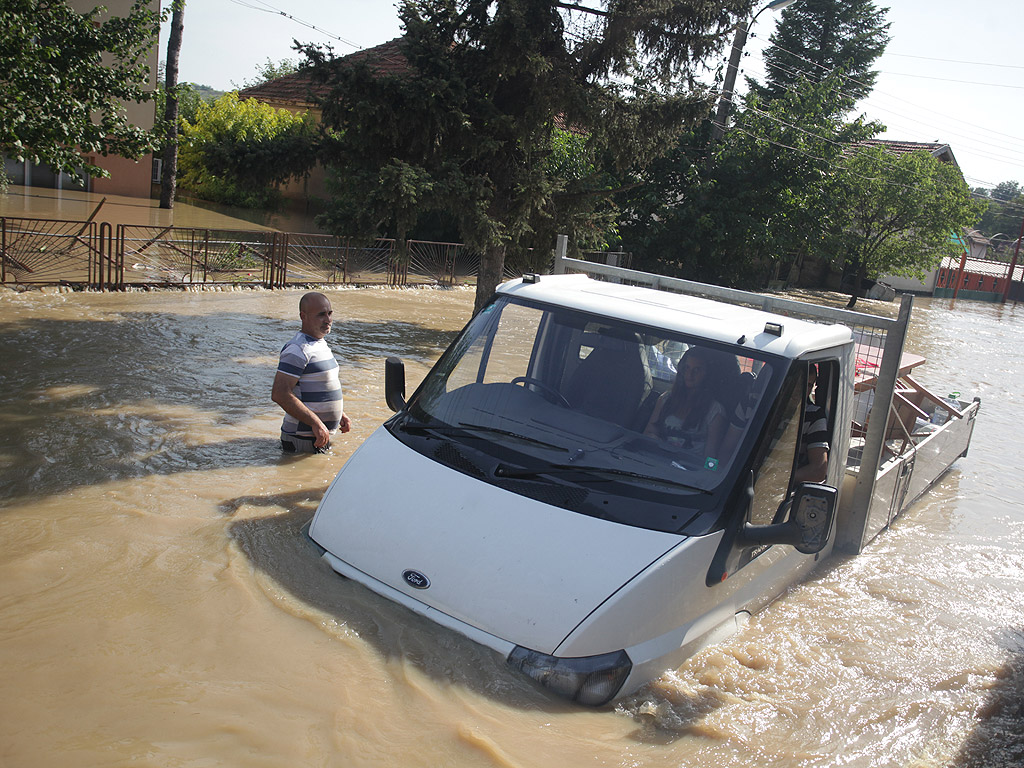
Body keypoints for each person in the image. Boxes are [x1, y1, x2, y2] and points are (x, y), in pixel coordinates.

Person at [272, 291, 351, 453]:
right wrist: (316, 422)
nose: (328, 319)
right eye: (321, 315)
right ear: (303, 316)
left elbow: (320, 386)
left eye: (330, 313)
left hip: (316, 436)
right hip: (301, 438)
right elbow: (280, 394)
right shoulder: (297, 349)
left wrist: (339, 414)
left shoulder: (319, 344)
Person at [644, 346, 728, 469]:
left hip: (689, 473)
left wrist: (707, 478)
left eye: (697, 370)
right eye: (687, 368)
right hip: (658, 463)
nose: (690, 374)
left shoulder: (715, 412)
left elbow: (712, 457)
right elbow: (648, 433)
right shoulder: (665, 399)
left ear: (707, 374)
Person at [794, 363, 829, 483]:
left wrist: (782, 480)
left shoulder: (814, 416)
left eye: (809, 385)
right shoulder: (754, 405)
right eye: (800, 382)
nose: (803, 389)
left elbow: (818, 471)